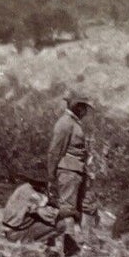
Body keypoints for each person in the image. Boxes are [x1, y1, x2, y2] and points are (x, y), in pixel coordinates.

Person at [48, 91, 94, 230]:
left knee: (76, 208)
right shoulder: (65, 123)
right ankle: (67, 244)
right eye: (83, 107)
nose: (85, 111)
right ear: (77, 107)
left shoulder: (73, 123)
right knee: (67, 208)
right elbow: (54, 152)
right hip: (68, 172)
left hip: (76, 171)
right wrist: (51, 176)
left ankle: (73, 242)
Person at [0, 172, 77, 253]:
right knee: (60, 224)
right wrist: (73, 212)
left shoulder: (24, 188)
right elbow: (51, 214)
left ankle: (46, 247)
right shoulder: (33, 195)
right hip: (15, 234)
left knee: (43, 218)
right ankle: (38, 247)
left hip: (11, 230)